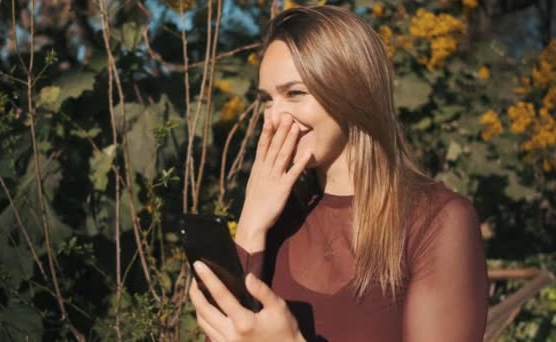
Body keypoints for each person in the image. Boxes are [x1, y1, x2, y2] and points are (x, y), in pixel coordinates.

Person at [188, 5, 489, 341]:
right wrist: (252, 220)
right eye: (267, 100)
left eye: (295, 94)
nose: (274, 119)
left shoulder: (437, 220)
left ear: (350, 91)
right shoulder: (279, 220)